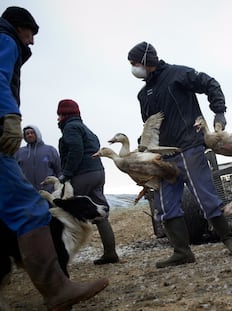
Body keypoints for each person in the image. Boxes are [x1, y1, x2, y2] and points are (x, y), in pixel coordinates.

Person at [0, 6, 108, 310]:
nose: (32, 41)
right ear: (19, 27)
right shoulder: (6, 38)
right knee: (30, 208)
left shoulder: (63, 136)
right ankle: (57, 289)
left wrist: (64, 174)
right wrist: (7, 113)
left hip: (77, 175)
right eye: (31, 32)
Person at [127, 41, 232, 268]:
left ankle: (230, 240)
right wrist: (143, 150)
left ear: (144, 61)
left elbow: (211, 83)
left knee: (205, 196)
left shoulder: (178, 75)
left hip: (189, 147)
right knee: (165, 204)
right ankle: (181, 251)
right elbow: (149, 124)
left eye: (133, 63)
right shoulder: (143, 95)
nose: (132, 69)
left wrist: (219, 111)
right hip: (162, 157)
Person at [57, 98, 120, 265]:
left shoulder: (70, 128)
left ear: (63, 114)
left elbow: (76, 150)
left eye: (59, 115)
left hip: (82, 173)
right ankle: (110, 253)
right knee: (100, 213)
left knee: (69, 210)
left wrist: (66, 173)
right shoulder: (86, 129)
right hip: (98, 172)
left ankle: (64, 253)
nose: (57, 119)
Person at [15, 125, 61, 193]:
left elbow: (59, 170)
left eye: (32, 132)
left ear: (37, 134)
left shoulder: (50, 150)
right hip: (27, 192)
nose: (30, 135)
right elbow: (15, 172)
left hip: (49, 192)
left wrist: (59, 188)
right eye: (27, 134)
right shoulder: (19, 152)